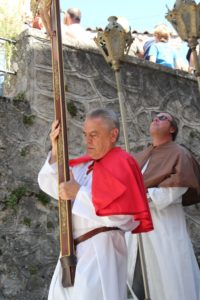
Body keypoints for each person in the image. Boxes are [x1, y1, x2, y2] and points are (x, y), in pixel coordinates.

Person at [38, 108, 153, 300]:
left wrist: (79, 193)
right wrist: (56, 151)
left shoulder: (123, 163)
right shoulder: (84, 165)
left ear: (113, 134)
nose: (87, 141)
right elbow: (51, 185)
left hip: (102, 251)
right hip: (71, 252)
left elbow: (124, 217)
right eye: (85, 135)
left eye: (94, 135)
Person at [127, 112, 200, 300]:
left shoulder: (179, 153)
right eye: (154, 118)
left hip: (163, 227)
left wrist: (142, 196)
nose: (155, 120)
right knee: (136, 281)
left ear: (172, 128)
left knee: (167, 281)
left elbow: (175, 191)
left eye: (162, 118)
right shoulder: (140, 156)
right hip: (136, 229)